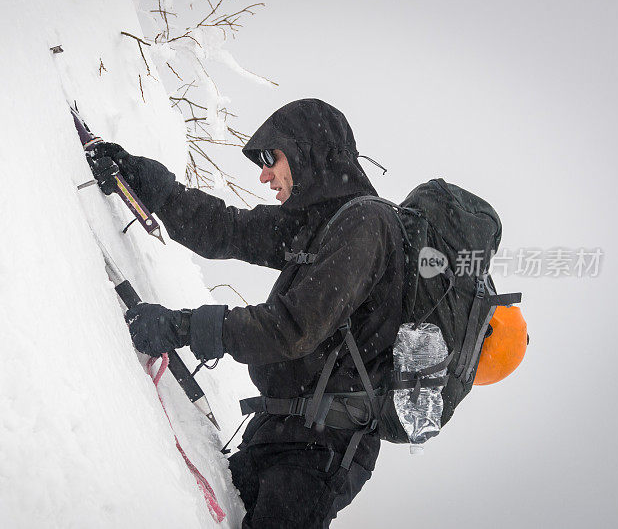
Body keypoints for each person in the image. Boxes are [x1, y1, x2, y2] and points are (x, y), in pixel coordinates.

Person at [88, 99, 405, 528]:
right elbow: (226, 229)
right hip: (276, 434)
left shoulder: (366, 225)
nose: (264, 175)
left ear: (307, 151)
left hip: (319, 451)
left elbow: (291, 329)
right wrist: (148, 181)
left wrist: (181, 326)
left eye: (272, 159)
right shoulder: (318, 223)